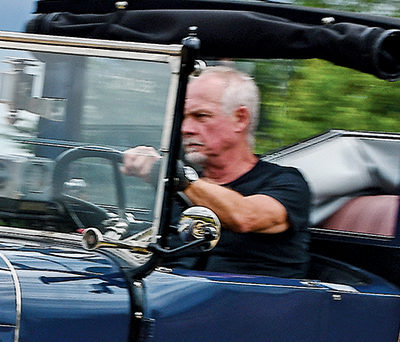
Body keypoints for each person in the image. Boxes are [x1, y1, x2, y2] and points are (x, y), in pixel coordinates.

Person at [123, 66, 310, 278]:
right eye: (184, 117)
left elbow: (245, 217)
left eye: (201, 116)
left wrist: (172, 175)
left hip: (247, 304)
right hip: (166, 297)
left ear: (240, 118)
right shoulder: (178, 187)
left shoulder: (288, 183)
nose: (186, 128)